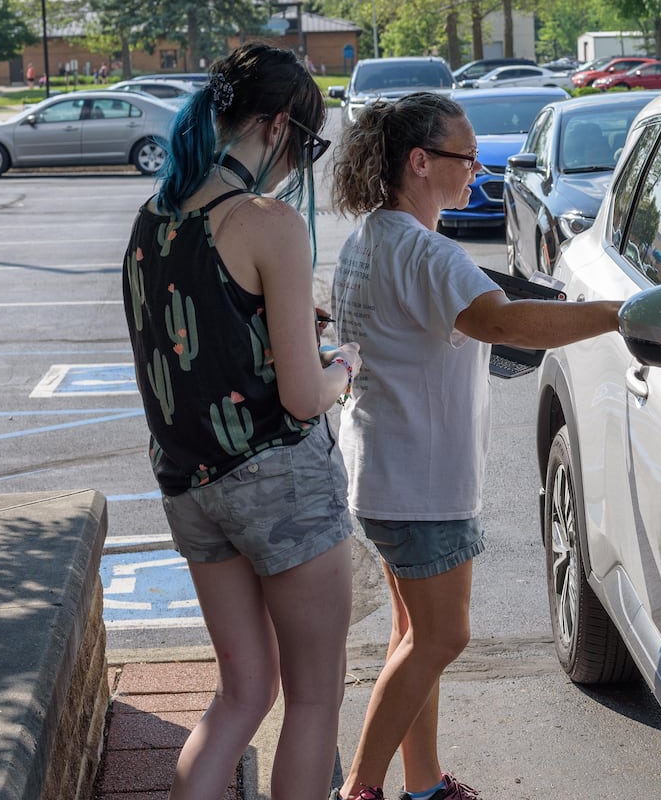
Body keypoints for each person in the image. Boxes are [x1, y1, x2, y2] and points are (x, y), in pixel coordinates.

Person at [328, 92, 624, 800]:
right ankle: (360, 792)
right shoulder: (428, 255)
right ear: (420, 162)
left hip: (381, 471)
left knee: (414, 639)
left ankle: (423, 785)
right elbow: (507, 324)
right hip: (421, 483)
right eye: (466, 156)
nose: (479, 168)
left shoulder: (371, 239)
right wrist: (621, 314)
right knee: (440, 639)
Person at [121, 41, 362, 800]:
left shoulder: (152, 217)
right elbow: (301, 395)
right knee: (315, 697)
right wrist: (344, 366)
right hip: (279, 483)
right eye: (309, 147)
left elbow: (182, 356)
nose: (301, 166)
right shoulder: (266, 222)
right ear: (279, 125)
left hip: (189, 483)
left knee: (241, 696)